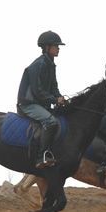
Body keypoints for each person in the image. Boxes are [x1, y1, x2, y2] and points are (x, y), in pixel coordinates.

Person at [17, 30, 67, 168]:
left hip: (40, 104)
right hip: (28, 104)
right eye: (56, 46)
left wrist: (59, 97)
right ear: (46, 47)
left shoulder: (51, 65)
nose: (58, 48)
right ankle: (42, 156)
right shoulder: (38, 65)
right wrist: (54, 100)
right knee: (51, 121)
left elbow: (54, 87)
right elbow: (37, 91)